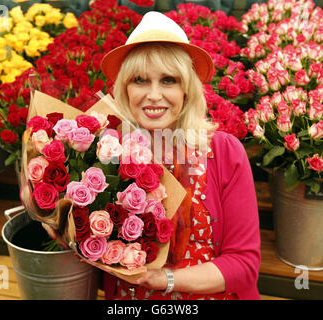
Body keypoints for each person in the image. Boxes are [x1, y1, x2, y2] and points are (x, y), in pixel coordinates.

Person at [44, 11, 261, 300]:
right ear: (125, 89)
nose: (154, 95)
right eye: (140, 80)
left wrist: (163, 279)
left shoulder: (224, 152)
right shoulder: (105, 155)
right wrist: (66, 234)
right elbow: (97, 265)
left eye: (168, 80)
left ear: (186, 89)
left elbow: (244, 266)